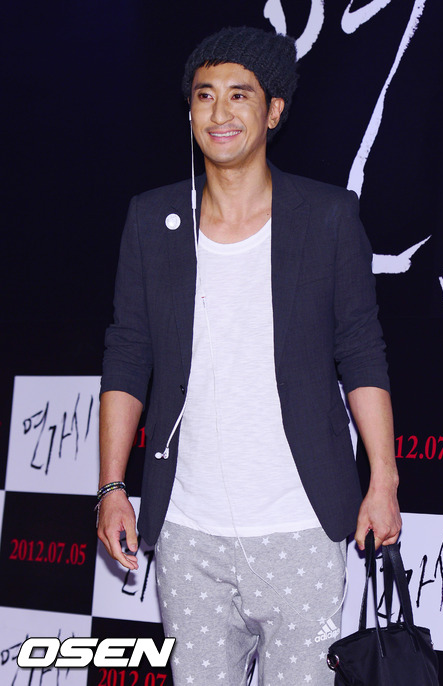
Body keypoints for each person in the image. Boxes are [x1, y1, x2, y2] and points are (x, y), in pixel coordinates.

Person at [97, 26, 401, 685]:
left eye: (240, 95)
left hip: (301, 526)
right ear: (189, 111)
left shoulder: (327, 217)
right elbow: (127, 354)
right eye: (205, 95)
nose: (220, 112)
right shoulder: (151, 221)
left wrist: (383, 480)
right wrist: (112, 486)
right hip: (187, 533)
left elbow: (361, 351)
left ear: (274, 110)